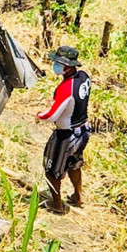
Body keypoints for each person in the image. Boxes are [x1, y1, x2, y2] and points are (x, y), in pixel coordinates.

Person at [36, 45, 91, 213]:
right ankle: (78, 196)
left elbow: (52, 115)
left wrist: (38, 115)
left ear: (67, 66)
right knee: (74, 165)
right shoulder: (84, 77)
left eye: (58, 63)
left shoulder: (65, 89)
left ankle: (57, 204)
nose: (55, 66)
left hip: (66, 136)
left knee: (52, 171)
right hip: (83, 131)